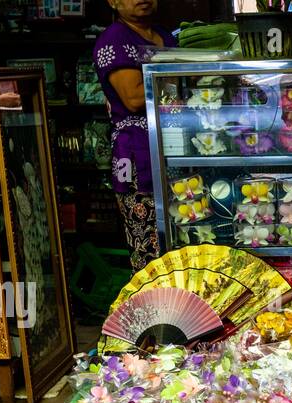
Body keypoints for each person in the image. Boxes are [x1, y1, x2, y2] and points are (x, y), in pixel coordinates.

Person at [94, 0, 176, 272]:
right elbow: (133, 98)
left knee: (179, 245)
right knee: (150, 251)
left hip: (171, 152)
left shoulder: (165, 36)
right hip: (138, 155)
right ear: (113, 2)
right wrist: (183, 80)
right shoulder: (114, 40)